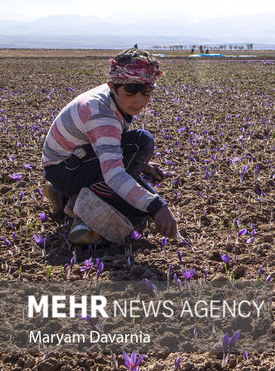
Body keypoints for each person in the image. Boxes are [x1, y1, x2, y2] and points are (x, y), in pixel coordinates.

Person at [42, 48, 178, 243]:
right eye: (130, 93)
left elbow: (109, 146)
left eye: (146, 93)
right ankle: (83, 216)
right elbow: (114, 174)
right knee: (141, 144)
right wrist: (158, 207)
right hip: (64, 168)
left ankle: (65, 196)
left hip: (71, 164)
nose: (139, 101)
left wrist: (151, 194)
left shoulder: (111, 99)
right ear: (112, 87)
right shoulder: (100, 113)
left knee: (138, 209)